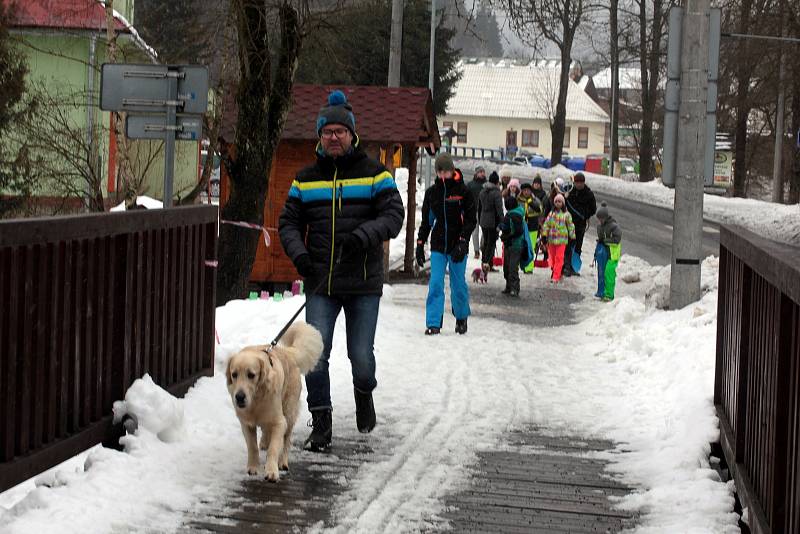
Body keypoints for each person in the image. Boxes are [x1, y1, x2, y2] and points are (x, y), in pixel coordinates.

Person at [278, 89, 405, 452]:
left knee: (361, 358)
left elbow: (394, 216)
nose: (334, 137)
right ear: (319, 136)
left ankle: (364, 394)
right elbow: (287, 223)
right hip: (321, 282)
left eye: (340, 131)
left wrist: (364, 236)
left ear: (352, 135)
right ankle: (321, 423)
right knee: (315, 355)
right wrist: (300, 257)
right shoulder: (304, 180)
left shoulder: (375, 175)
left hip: (363, 282)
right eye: (327, 131)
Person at [416, 153, 477, 335]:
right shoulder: (432, 193)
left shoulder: (463, 192)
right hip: (438, 244)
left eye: (447, 171)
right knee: (435, 283)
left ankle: (461, 316)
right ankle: (434, 322)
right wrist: (420, 244)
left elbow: (471, 220)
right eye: (440, 171)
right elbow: (427, 221)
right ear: (437, 172)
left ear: (452, 171)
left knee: (458, 285)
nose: (443, 175)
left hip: (458, 244)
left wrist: (463, 240)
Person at [563, 172, 597, 277]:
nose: (578, 184)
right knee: (568, 244)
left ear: (583, 183)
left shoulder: (589, 194)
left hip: (580, 225)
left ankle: (574, 267)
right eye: (577, 182)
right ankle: (566, 266)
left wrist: (584, 214)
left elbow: (593, 209)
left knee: (578, 246)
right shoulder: (569, 191)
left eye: (580, 182)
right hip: (568, 223)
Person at [541, 193, 575, 284]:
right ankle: (555, 271)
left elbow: (571, 226)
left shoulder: (567, 214)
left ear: (563, 203)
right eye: (556, 201)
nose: (557, 203)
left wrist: (572, 236)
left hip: (562, 240)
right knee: (552, 257)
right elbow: (546, 225)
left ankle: (556, 275)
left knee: (559, 258)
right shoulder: (551, 214)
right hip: (552, 239)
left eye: (559, 201)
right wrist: (544, 235)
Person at [594, 202, 622, 301]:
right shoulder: (600, 227)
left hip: (613, 254)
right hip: (605, 253)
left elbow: (617, 239)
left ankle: (609, 295)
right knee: (602, 273)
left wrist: (605, 241)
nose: (600, 220)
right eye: (598, 218)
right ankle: (602, 292)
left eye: (601, 218)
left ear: (605, 217)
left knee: (609, 273)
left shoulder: (613, 226)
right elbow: (601, 238)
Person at [499, 195, 526, 296]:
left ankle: (514, 288)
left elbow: (518, 231)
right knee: (507, 266)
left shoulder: (514, 215)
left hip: (515, 245)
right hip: (510, 244)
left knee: (512, 267)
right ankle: (509, 286)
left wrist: (508, 236)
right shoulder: (513, 214)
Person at [478, 171, 504, 271]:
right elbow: (499, 209)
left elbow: (479, 207)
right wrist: (502, 221)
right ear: (497, 182)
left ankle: (484, 262)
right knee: (491, 243)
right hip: (493, 221)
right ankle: (487, 264)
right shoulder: (496, 193)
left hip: (483, 220)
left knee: (486, 242)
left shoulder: (482, 191)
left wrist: (480, 219)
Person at [518, 183, 543, 273]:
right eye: (524, 190)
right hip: (520, 226)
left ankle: (529, 268)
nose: (526, 192)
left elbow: (539, 209)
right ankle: (518, 265)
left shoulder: (535, 200)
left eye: (528, 190)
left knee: (530, 247)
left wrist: (530, 202)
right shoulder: (518, 200)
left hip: (532, 226)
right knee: (520, 246)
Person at [467, 166, 487, 259]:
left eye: (483, 171)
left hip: (485, 211)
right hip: (474, 211)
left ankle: (482, 245)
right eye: (480, 172)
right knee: (475, 232)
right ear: (476, 173)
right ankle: (476, 250)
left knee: (485, 231)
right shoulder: (470, 185)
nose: (482, 173)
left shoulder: (487, 185)